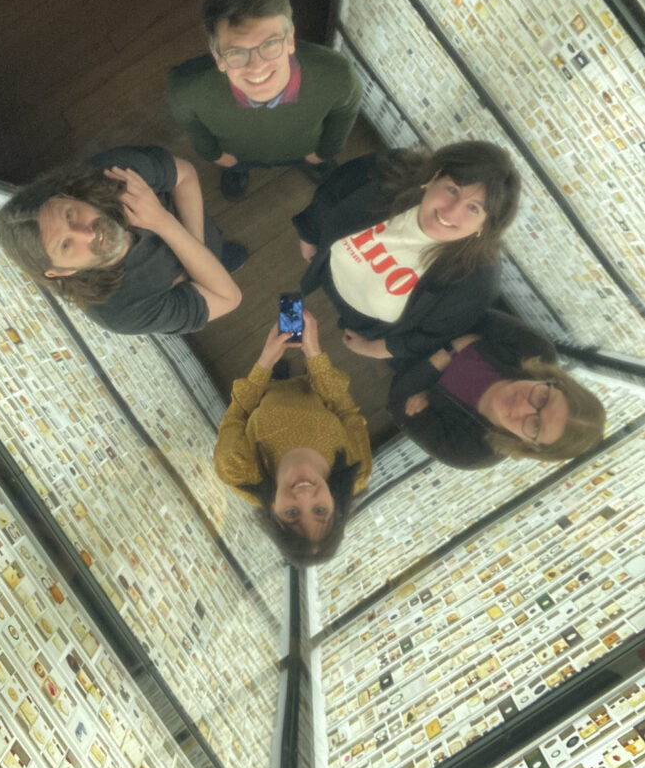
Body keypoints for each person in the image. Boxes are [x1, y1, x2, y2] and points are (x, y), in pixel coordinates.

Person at [292, 141, 521, 372]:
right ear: (435, 177)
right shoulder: (386, 171)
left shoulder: (475, 281)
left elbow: (434, 333)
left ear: (484, 226)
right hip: (323, 269)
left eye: (474, 208)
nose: (451, 212)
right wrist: (309, 234)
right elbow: (331, 193)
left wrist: (379, 348)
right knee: (286, 318)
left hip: (364, 324)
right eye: (453, 190)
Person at [0, 145, 246, 335]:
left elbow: (185, 174)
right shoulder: (122, 311)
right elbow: (230, 298)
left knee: (216, 257)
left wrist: (197, 258)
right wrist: (162, 222)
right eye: (66, 245)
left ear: (68, 196)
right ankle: (219, 261)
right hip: (195, 240)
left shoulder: (109, 174)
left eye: (70, 214)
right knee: (217, 270)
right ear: (61, 271)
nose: (87, 232)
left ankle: (218, 256)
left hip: (201, 231)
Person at [166, 0, 362, 201]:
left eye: (270, 44)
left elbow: (345, 109)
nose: (257, 66)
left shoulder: (336, 74)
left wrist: (325, 151)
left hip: (306, 148)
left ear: (290, 41)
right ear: (218, 58)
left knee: (312, 158)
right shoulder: (188, 88)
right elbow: (188, 119)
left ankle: (315, 163)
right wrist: (213, 153)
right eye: (236, 52)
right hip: (238, 155)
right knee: (237, 165)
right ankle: (237, 172)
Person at [213, 311, 372, 565]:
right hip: (314, 389)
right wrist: (314, 355)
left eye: (292, 512)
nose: (305, 495)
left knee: (277, 375)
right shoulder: (357, 468)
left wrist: (264, 363)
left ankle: (277, 376)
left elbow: (237, 415)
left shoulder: (237, 468)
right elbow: (345, 411)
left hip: (264, 396)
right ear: (335, 507)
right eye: (319, 510)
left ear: (273, 514)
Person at [387, 310, 606, 468]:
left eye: (536, 425)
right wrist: (422, 383)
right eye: (542, 398)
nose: (522, 407)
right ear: (554, 381)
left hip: (389, 347)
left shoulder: (469, 451)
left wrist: (450, 352)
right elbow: (469, 312)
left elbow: (396, 401)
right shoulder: (535, 351)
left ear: (531, 446)